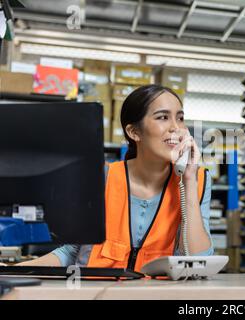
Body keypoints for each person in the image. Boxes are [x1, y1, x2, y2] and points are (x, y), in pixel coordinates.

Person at [15, 84, 214, 271]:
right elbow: (72, 251)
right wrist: (13, 270)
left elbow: (198, 260)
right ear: (134, 132)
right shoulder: (101, 177)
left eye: (180, 118)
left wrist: (188, 181)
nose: (175, 128)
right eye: (163, 117)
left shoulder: (198, 181)